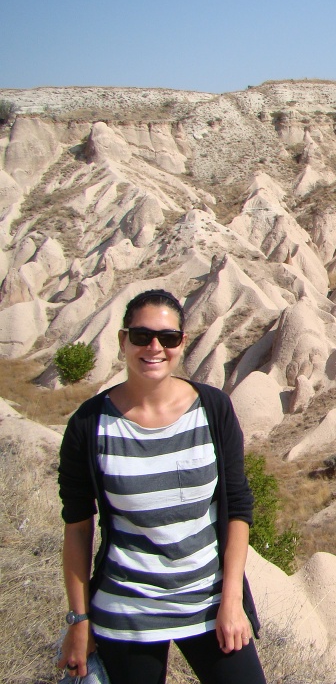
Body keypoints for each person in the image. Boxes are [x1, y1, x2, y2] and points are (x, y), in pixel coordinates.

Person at [57, 289, 267, 684]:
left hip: (210, 604)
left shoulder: (213, 409)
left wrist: (232, 600)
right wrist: (79, 621)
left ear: (182, 343)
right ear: (123, 340)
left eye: (168, 338)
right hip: (126, 612)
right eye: (142, 336)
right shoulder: (89, 424)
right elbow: (78, 527)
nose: (154, 348)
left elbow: (238, 507)